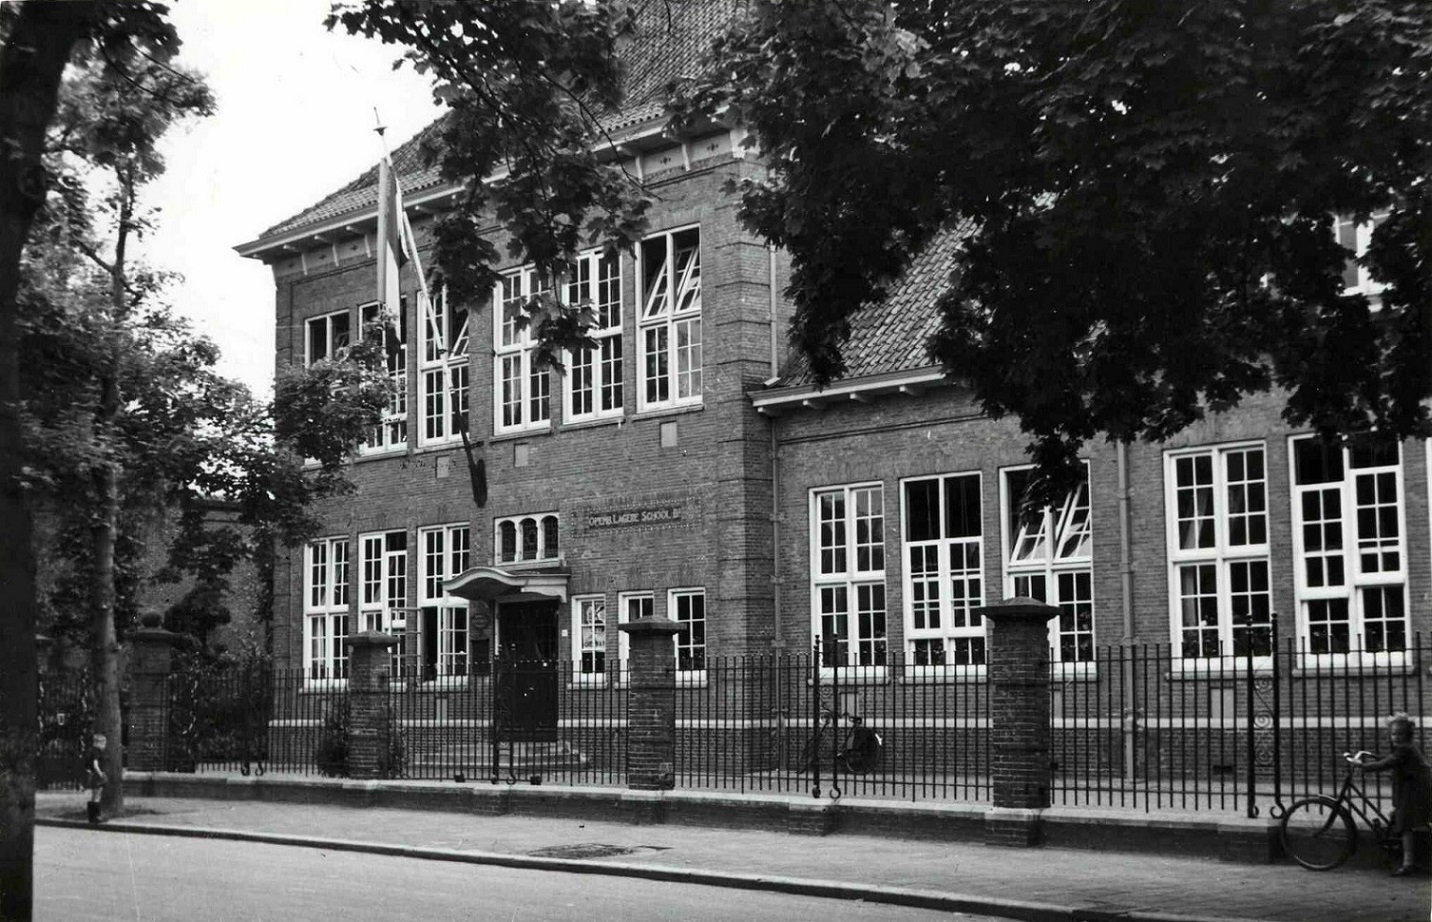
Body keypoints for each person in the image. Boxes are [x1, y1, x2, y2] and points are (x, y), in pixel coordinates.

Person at [1356, 713, 1431, 876]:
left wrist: (1363, 766)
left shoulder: (1405, 749)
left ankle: (1408, 864)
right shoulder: (1406, 748)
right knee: (1398, 816)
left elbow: (1388, 762)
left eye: (1399, 734)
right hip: (1412, 788)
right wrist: (1376, 759)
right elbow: (1392, 760)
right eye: (1393, 734)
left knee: (1405, 825)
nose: (1395, 737)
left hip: (1414, 790)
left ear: (1407, 735)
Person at [84, 733, 107, 825]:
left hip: (92, 775)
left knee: (93, 796)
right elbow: (95, 765)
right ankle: (97, 817)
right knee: (97, 796)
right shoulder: (97, 752)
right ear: (100, 743)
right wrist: (101, 774)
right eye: (104, 743)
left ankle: (91, 817)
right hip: (97, 776)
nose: (104, 745)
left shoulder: (90, 751)